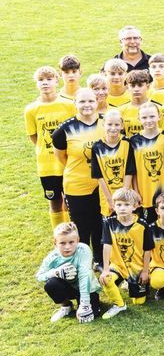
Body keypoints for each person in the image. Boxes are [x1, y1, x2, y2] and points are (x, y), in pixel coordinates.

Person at [52, 89, 104, 256]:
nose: (87, 105)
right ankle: (82, 260)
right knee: (81, 225)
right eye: (82, 101)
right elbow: (61, 157)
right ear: (75, 104)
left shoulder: (107, 124)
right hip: (76, 184)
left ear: (97, 102)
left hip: (103, 185)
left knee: (100, 223)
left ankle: (99, 258)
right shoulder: (64, 130)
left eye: (90, 101)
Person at [27, 66, 76, 227]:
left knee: (69, 199)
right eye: (41, 80)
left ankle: (71, 232)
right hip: (46, 165)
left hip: (68, 162)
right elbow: (34, 136)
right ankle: (59, 234)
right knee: (54, 200)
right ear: (36, 83)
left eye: (49, 79)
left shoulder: (68, 105)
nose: (45, 83)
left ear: (56, 81)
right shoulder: (31, 109)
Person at [37, 223, 101, 323]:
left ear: (78, 240)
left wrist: (85, 304)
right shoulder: (52, 257)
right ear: (55, 243)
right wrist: (56, 272)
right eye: (62, 243)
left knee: (94, 314)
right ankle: (66, 305)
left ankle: (84, 303)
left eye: (71, 242)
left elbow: (84, 276)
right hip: (67, 287)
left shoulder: (83, 250)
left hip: (87, 287)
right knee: (51, 284)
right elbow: (39, 276)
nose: (67, 247)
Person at [99, 187, 148, 317]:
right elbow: (107, 245)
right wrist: (105, 269)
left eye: (126, 205)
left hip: (136, 267)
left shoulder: (142, 225)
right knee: (107, 279)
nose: (122, 208)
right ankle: (119, 305)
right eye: (119, 204)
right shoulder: (109, 223)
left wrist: (145, 271)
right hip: (118, 265)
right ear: (114, 206)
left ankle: (128, 282)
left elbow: (148, 249)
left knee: (139, 301)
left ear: (135, 206)